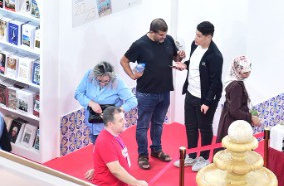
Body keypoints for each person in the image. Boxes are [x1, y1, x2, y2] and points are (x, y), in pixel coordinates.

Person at [120, 18, 185, 170]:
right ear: (152, 32)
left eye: (165, 34)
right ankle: (143, 155)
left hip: (164, 91)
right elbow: (124, 61)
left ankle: (156, 149)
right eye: (161, 35)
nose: (164, 37)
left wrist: (180, 57)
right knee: (143, 126)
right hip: (146, 93)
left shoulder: (168, 40)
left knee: (158, 123)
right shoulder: (140, 44)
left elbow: (175, 57)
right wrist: (131, 75)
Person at [178, 21, 223, 172]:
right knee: (190, 127)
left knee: (204, 127)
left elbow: (215, 82)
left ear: (208, 37)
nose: (195, 38)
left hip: (205, 99)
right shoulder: (194, 45)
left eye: (199, 36)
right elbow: (194, 62)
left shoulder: (215, 56)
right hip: (191, 93)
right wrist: (185, 64)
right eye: (195, 34)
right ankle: (191, 155)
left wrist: (207, 102)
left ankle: (204, 157)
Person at [85, 106, 149, 186]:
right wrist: (136, 182)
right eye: (120, 120)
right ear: (110, 124)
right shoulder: (105, 141)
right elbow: (116, 170)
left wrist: (99, 168)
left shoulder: (114, 135)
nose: (125, 122)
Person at [74, 61, 137, 144]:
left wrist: (116, 112)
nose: (102, 84)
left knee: (109, 152)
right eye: (99, 81)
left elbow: (133, 101)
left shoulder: (118, 82)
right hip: (93, 122)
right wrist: (91, 103)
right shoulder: (89, 75)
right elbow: (78, 93)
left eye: (106, 81)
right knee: (97, 149)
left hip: (110, 126)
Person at [216, 56, 261, 147]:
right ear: (237, 70)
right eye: (245, 72)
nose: (248, 74)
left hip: (229, 118)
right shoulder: (236, 86)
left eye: (249, 71)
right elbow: (234, 111)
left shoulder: (234, 80)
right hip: (234, 123)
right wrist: (251, 117)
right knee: (235, 151)